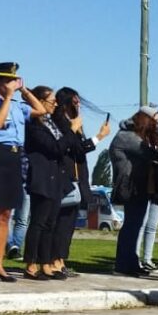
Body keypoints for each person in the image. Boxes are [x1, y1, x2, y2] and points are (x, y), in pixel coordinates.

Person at [0, 62, 44, 282]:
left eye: (14, 80)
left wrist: (23, 91)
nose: (11, 84)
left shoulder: (17, 104)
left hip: (14, 157)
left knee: (5, 215)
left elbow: (42, 110)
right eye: (7, 81)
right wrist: (6, 98)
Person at [49, 87, 108, 278]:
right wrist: (99, 137)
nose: (78, 105)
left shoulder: (75, 123)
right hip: (64, 177)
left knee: (69, 224)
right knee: (60, 222)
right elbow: (76, 148)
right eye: (75, 102)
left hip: (78, 178)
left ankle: (61, 260)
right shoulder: (60, 121)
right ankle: (53, 260)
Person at [22, 86, 71, 280]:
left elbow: (65, 146)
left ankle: (46, 262)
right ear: (40, 102)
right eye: (51, 101)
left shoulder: (52, 124)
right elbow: (55, 148)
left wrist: (68, 131)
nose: (55, 104)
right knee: (39, 222)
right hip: (42, 177)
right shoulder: (34, 125)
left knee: (51, 223)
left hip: (55, 177)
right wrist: (71, 132)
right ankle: (31, 263)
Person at [110, 105, 158, 277]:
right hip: (130, 184)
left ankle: (130, 262)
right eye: (154, 121)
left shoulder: (133, 135)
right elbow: (150, 154)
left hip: (138, 184)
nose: (156, 125)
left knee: (135, 225)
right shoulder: (127, 137)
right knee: (131, 226)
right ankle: (123, 264)